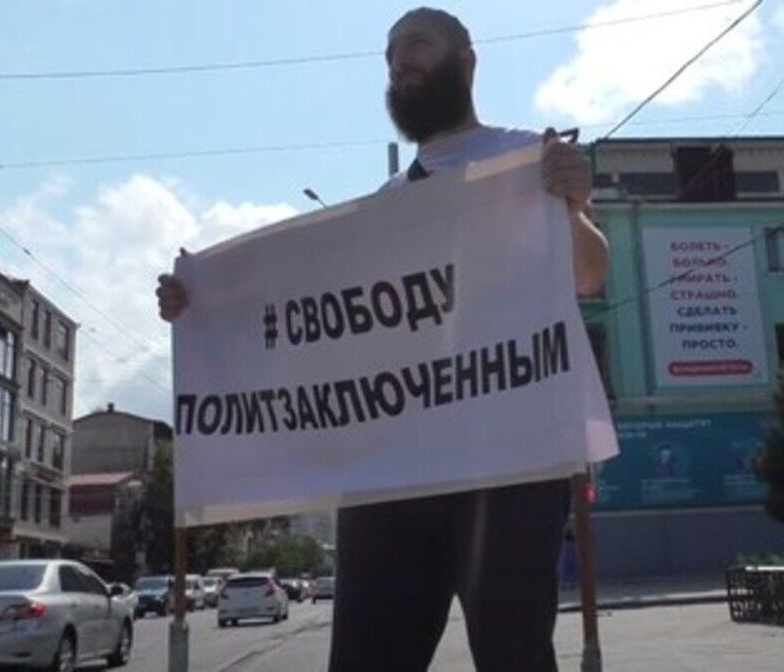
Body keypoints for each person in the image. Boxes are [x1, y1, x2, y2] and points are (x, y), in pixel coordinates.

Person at [156, 8, 608, 671]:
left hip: (506, 465)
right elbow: (320, 322)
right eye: (390, 56)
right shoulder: (388, 203)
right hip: (393, 475)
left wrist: (569, 207)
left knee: (514, 655)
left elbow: (589, 275)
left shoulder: (527, 158)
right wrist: (208, 308)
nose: (399, 62)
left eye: (417, 45)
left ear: (467, 61)